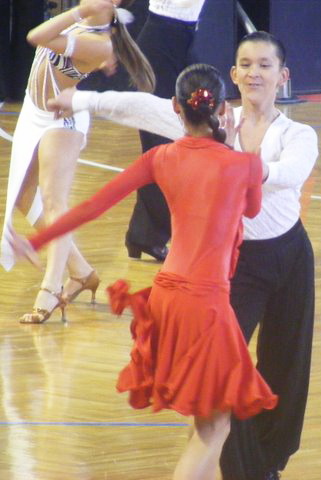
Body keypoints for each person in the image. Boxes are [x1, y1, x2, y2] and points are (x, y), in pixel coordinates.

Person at [48, 30, 318, 480]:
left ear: (283, 76)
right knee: (224, 386)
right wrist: (81, 100)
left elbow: (292, 174)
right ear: (233, 75)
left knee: (287, 370)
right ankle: (246, 473)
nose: (254, 73)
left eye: (264, 65)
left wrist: (239, 162)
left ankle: (269, 464)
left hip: (290, 255)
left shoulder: (296, 133)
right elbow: (141, 106)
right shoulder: (207, 116)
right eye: (246, 64)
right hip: (234, 268)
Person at [10, 63, 278, 480]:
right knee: (215, 427)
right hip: (205, 304)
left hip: (166, 297)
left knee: (206, 422)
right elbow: (253, 209)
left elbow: (90, 207)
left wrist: (36, 240)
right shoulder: (243, 165)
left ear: (175, 107)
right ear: (223, 109)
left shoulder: (159, 158)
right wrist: (238, 150)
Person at [0, 0, 155, 324]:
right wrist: (83, 13)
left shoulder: (100, 43)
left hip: (62, 119)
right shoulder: (86, 23)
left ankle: (51, 288)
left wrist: (80, 11)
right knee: (25, 197)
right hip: (33, 110)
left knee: (54, 202)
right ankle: (81, 272)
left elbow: (35, 36)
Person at [124, 0, 206, 262]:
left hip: (181, 41)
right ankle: (149, 235)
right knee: (164, 148)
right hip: (161, 43)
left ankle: (145, 234)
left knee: (185, 142)